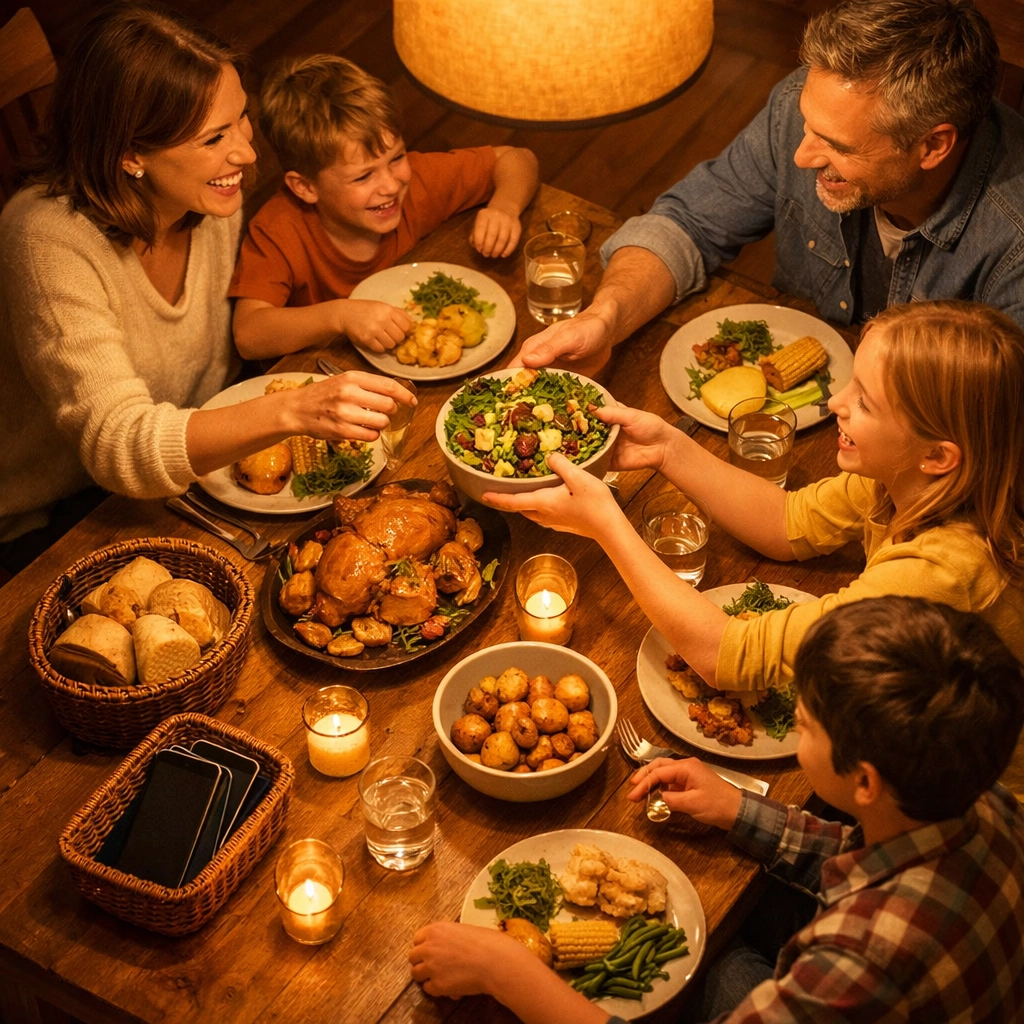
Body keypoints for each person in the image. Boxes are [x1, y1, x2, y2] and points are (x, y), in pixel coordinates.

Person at [484, 300, 1024, 796]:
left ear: (938, 456)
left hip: (966, 802)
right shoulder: (903, 478)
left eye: (864, 402)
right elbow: (787, 523)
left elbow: (725, 656)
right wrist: (668, 448)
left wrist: (606, 523)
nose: (836, 401)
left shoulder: (944, 570)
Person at [409, 597, 1024, 1023]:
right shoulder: (983, 799)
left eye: (803, 724)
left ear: (864, 781)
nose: (795, 728)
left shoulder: (857, 962)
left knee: (709, 962)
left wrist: (509, 975)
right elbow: (863, 851)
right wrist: (738, 808)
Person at [0, 3, 412, 568]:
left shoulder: (209, 196)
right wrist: (295, 409)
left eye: (241, 118)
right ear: (130, 154)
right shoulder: (44, 238)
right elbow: (116, 443)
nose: (245, 151)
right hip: (58, 516)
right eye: (213, 137)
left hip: (201, 470)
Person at [514, 0, 1024, 378]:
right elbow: (688, 223)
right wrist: (607, 318)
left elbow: (994, 434)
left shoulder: (1015, 241)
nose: (802, 157)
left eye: (837, 146)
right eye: (806, 125)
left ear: (933, 145)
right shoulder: (808, 104)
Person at [228, 54, 539, 360]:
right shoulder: (278, 229)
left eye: (397, 158)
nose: (391, 185)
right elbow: (249, 335)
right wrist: (339, 316)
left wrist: (505, 207)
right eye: (363, 176)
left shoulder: (417, 180)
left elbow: (516, 159)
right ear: (306, 188)